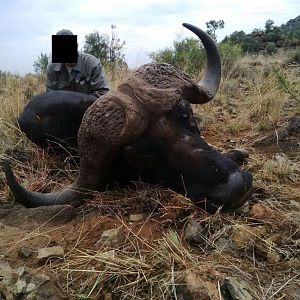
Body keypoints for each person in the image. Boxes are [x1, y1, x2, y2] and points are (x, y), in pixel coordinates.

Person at [46, 29, 109, 98]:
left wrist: (79, 103)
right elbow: (50, 95)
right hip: (62, 107)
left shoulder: (92, 64)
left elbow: (103, 93)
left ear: (76, 46)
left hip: (90, 106)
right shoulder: (52, 67)